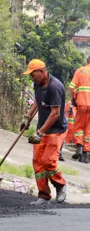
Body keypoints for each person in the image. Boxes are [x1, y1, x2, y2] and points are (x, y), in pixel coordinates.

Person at [20, 59, 68, 205]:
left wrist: (40, 133)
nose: (31, 78)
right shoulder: (38, 84)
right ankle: (44, 195)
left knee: (48, 161)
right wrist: (28, 118)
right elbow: (37, 100)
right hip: (42, 128)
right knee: (38, 163)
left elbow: (54, 114)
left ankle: (60, 185)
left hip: (56, 130)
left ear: (42, 71)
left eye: (33, 74)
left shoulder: (55, 87)